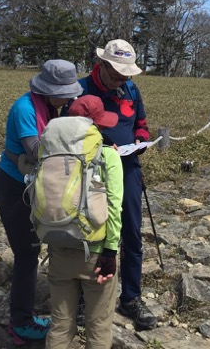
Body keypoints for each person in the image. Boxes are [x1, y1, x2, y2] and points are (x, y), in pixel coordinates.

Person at [0, 59, 83, 343]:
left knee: (34, 250)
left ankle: (25, 315)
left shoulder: (49, 107)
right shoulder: (24, 108)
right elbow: (34, 149)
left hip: (36, 185)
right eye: (66, 94)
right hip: (14, 186)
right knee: (27, 254)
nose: (70, 98)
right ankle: (20, 322)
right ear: (48, 90)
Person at [77, 39, 157, 330]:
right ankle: (87, 297)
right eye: (117, 74)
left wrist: (140, 140)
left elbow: (141, 123)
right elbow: (68, 130)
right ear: (102, 65)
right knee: (91, 231)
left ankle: (131, 298)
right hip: (91, 171)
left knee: (133, 234)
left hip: (129, 169)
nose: (122, 79)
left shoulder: (132, 89)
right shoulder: (81, 89)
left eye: (127, 74)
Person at [45, 95, 123, 349]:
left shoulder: (49, 155)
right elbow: (114, 206)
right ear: (94, 126)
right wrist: (111, 250)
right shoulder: (108, 157)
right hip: (97, 253)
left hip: (58, 244)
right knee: (98, 325)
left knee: (60, 324)